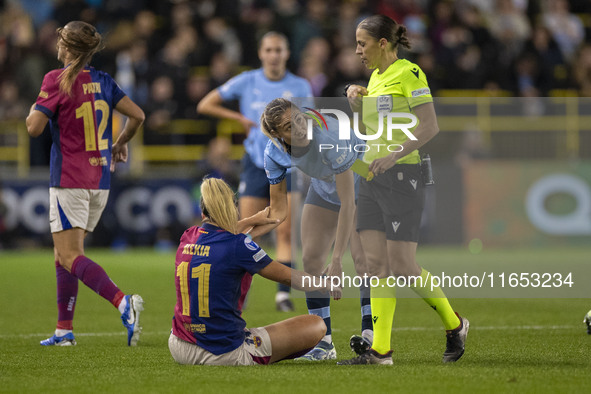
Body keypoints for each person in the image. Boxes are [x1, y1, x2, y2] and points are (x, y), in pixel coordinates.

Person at [338, 15, 469, 365]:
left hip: (402, 178)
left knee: (403, 265)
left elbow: (430, 126)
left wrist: (396, 156)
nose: (357, 51)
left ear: (383, 43)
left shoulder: (409, 73)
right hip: (370, 176)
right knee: (375, 266)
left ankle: (455, 325)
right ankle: (381, 351)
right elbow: (373, 128)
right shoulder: (375, 78)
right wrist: (357, 104)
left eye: (362, 43)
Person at [25, 21, 146, 346]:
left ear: (66, 47)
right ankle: (64, 331)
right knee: (63, 253)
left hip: (69, 180)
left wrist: (36, 107)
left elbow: (34, 128)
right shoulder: (104, 80)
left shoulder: (56, 79)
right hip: (99, 180)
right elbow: (138, 115)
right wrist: (120, 144)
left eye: (61, 39)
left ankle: (124, 302)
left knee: (69, 255)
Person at [197, 31, 313, 312]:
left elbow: (310, 127)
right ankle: (239, 292)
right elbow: (205, 104)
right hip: (254, 162)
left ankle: (282, 295)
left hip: (288, 164)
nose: (274, 55)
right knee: (248, 231)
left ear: (286, 54)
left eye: (279, 50)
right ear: (261, 54)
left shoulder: (300, 85)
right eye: (269, 50)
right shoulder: (247, 80)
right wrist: (236, 117)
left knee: (284, 232)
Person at [250, 98, 372, 360]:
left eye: (298, 119)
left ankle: (371, 336)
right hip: (325, 184)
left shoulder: (328, 136)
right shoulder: (273, 153)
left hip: (365, 180)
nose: (299, 127)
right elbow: (278, 211)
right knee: (311, 259)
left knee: (363, 260)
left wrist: (337, 260)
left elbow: (348, 202)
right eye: (288, 127)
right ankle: (323, 343)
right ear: (277, 135)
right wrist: (245, 234)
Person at [168, 177, 333, 366]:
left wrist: (252, 222)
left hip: (179, 346)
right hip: (222, 352)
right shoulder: (239, 246)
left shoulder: (188, 237)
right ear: (232, 208)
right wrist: (324, 283)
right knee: (316, 325)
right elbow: (289, 278)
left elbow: (222, 238)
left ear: (202, 211)